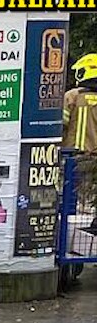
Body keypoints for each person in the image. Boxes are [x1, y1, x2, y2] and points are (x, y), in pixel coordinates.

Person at [64, 54, 97, 230]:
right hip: (95, 159)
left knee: (69, 198)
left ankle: (70, 237)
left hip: (74, 157)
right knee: (90, 203)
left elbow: (59, 124)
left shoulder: (73, 96)